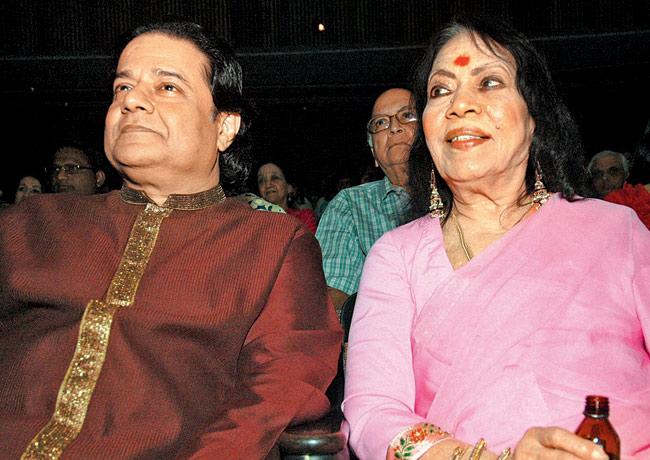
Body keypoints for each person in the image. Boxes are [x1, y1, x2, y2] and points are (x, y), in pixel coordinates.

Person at [0, 21, 341, 459]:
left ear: (225, 126)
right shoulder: (32, 223)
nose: (132, 101)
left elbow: (283, 381)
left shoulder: (271, 242)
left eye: (167, 87)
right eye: (122, 87)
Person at [343, 16, 650, 460]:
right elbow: (373, 414)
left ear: (535, 120)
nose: (459, 104)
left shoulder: (615, 231)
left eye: (488, 82)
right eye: (440, 90)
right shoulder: (397, 257)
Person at [316, 88, 415, 312]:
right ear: (374, 155)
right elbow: (330, 294)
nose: (394, 127)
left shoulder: (463, 196)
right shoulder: (351, 206)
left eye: (407, 116)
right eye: (381, 123)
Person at [589, 150, 650, 229]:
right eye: (598, 174)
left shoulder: (642, 199)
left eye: (613, 171)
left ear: (626, 174)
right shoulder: (588, 208)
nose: (605, 178)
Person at [257, 162, 318, 232]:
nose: (267, 185)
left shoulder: (303, 217)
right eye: (261, 180)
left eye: (274, 178)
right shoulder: (253, 219)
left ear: (289, 188)